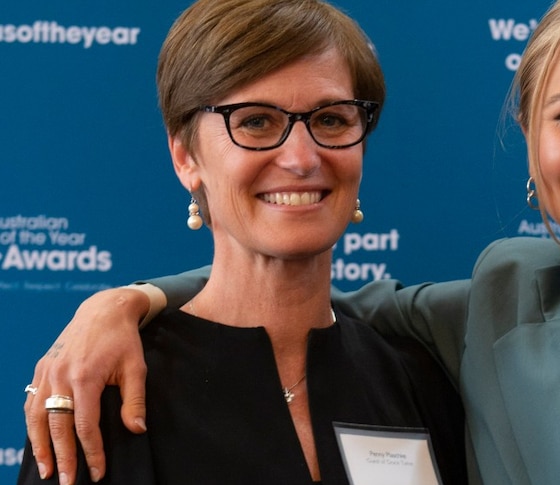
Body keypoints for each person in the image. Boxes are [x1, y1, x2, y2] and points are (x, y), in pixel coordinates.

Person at [24, 0, 560, 483]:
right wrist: (123, 303)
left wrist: (124, 299)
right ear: (534, 145)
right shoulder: (496, 307)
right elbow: (280, 297)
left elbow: (312, 302)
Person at [18, 0, 468, 484]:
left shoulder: (418, 379)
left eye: (331, 120)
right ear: (185, 156)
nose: (301, 157)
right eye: (255, 121)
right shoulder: (108, 389)